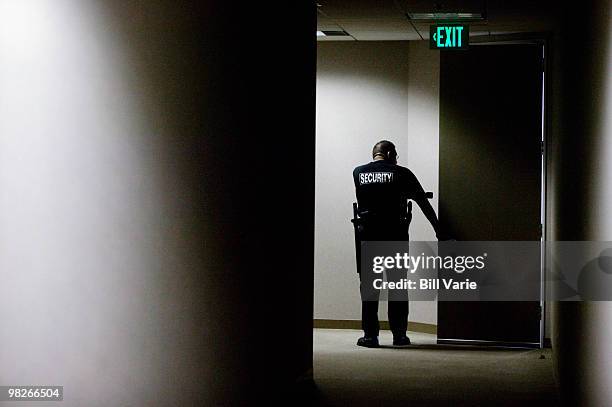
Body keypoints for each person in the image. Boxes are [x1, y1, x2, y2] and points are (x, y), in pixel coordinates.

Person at [352, 140, 444, 348]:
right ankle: (399, 335)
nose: (397, 159)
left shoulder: (358, 172)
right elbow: (423, 202)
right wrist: (439, 230)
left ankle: (370, 336)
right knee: (397, 287)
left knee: (369, 287)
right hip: (395, 236)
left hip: (368, 238)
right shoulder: (402, 173)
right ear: (390, 153)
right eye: (396, 155)